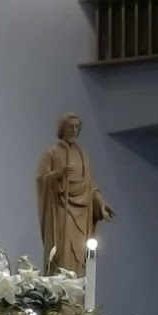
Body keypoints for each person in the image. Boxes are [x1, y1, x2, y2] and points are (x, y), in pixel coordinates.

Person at [35, 113, 114, 276]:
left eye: (77, 127)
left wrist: (101, 203)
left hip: (82, 214)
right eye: (71, 126)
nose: (74, 130)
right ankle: (60, 289)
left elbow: (90, 186)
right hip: (61, 210)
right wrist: (57, 175)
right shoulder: (52, 153)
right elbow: (41, 179)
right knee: (62, 252)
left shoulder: (83, 156)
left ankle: (77, 290)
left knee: (80, 254)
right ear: (63, 128)